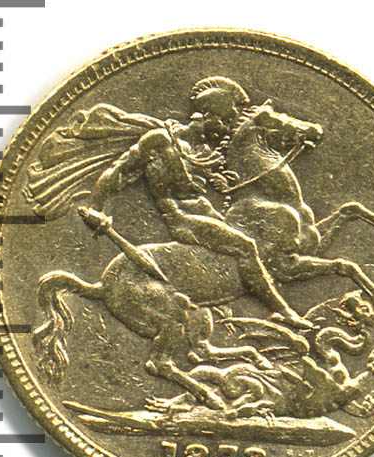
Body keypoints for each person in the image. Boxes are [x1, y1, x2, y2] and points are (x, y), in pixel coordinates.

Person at [81, 76, 311, 329]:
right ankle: (283, 311)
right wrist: (96, 208)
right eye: (224, 121)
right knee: (245, 246)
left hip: (208, 215)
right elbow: (117, 171)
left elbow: (208, 186)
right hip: (182, 218)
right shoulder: (161, 141)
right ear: (208, 115)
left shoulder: (205, 151)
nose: (226, 129)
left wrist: (221, 182)